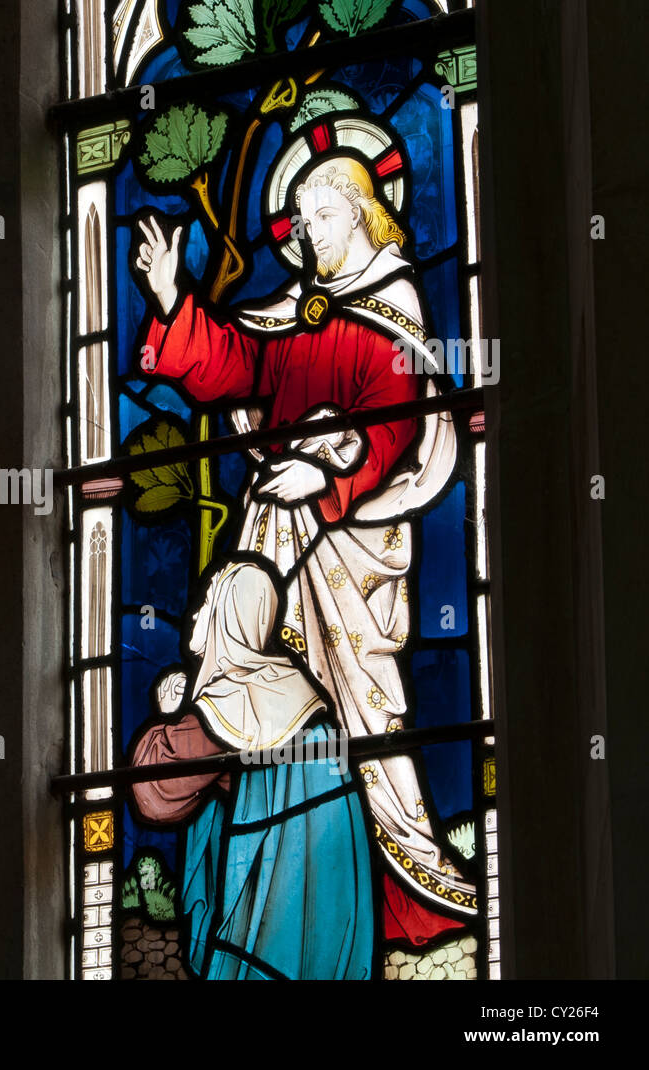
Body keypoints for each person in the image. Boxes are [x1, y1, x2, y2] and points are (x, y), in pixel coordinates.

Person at [133, 152, 475, 942]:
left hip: (349, 549)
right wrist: (170, 300)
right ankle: (273, 895)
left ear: (360, 215)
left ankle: (399, 897)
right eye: (300, 221)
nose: (307, 235)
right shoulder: (299, 312)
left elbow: (393, 425)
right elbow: (236, 367)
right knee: (264, 691)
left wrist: (322, 480)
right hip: (277, 529)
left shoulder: (390, 313)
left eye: (322, 218)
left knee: (359, 711)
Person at [137, 560, 374, 979]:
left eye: (207, 601)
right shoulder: (302, 700)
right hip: (330, 920)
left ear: (227, 617)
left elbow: (154, 791)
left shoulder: (228, 707)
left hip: (265, 932)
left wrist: (169, 712)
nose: (195, 613)